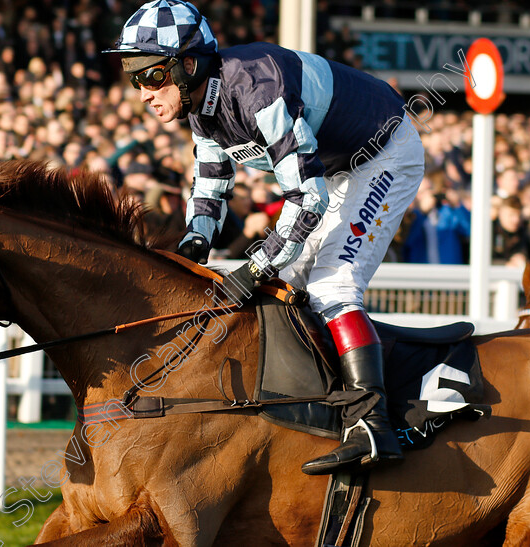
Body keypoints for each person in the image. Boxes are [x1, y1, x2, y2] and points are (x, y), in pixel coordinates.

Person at [106, 0, 425, 476]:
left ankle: (372, 423)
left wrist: (256, 265)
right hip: (336, 168)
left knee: (331, 285)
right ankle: (316, 407)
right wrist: (194, 245)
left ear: (187, 64)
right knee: (286, 291)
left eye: (151, 76)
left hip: (384, 154)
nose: (144, 93)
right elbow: (211, 184)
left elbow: (306, 199)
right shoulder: (200, 104)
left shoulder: (256, 88)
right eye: (135, 79)